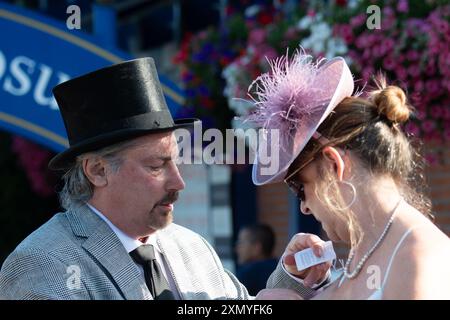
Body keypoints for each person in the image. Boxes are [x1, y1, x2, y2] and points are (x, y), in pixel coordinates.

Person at [0, 57, 330, 300]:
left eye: (175, 161)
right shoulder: (42, 262)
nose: (178, 182)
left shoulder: (192, 246)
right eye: (156, 166)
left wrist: (292, 279)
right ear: (97, 170)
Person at [246, 51, 450, 299]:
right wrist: (291, 282)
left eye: (300, 187)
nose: (304, 208)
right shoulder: (359, 259)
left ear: (334, 164)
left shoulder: (419, 257)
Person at [235, 224, 278, 295]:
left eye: (241, 243)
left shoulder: (248, 274)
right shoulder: (281, 269)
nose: (237, 248)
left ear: (256, 248)